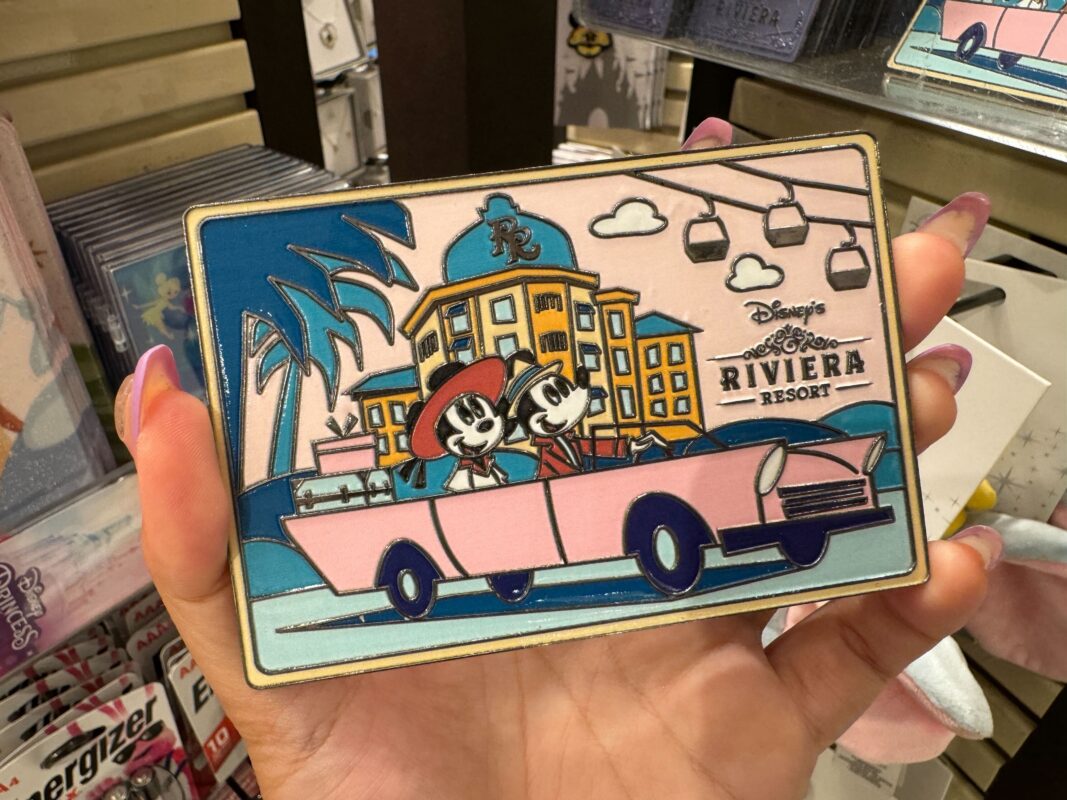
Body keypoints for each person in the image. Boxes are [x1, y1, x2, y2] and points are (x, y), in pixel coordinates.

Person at [114, 119, 998, 800]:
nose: (543, 377)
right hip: (519, 529)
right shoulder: (466, 465)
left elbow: (603, 450)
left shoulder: (587, 431)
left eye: (559, 316)